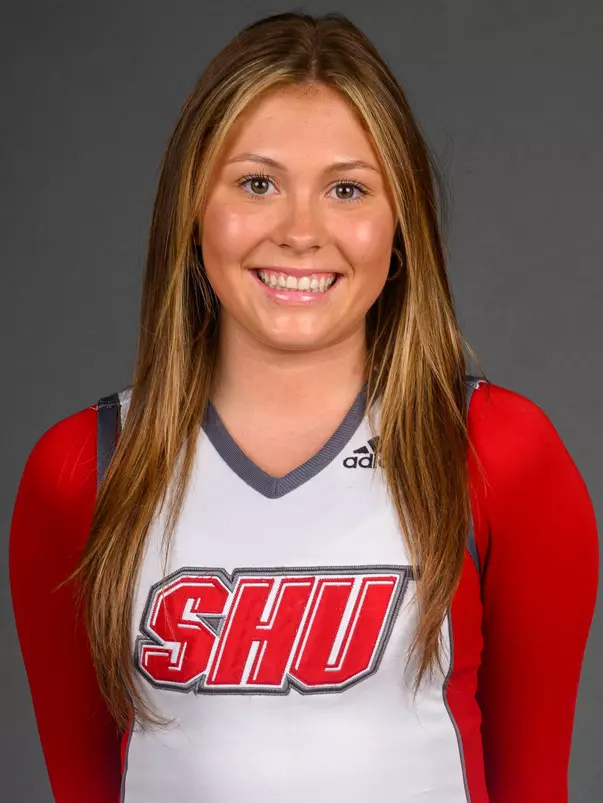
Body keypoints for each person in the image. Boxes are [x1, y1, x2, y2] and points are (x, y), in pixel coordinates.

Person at [9, 11, 598, 803]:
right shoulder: (84, 467)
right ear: (193, 209)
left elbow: (535, 786)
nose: (299, 231)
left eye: (346, 189)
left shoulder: (495, 449)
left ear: (399, 227)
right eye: (257, 183)